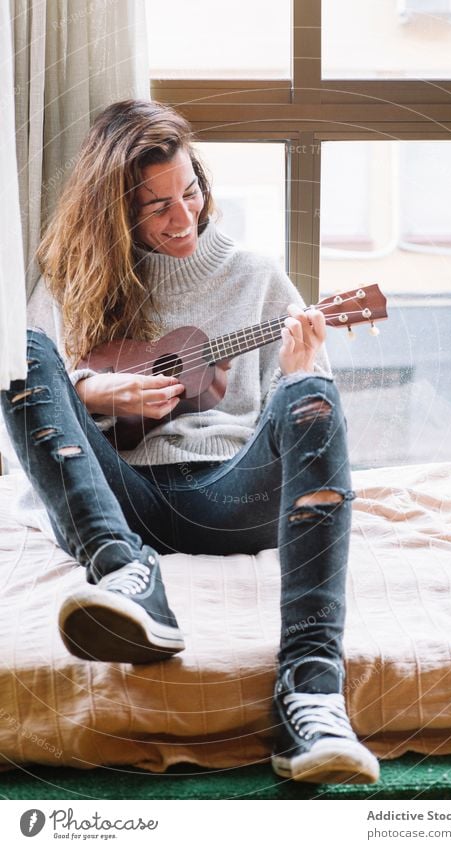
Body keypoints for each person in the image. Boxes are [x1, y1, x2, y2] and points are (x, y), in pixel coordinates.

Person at [0, 99, 379, 786]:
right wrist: (92, 393)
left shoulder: (255, 275)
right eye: (157, 207)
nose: (184, 218)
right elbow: (34, 405)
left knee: (312, 392)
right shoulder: (71, 281)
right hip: (121, 500)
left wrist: (303, 370)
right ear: (114, 213)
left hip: (234, 493)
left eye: (191, 191)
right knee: (19, 350)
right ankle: (127, 577)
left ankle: (312, 688)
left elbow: (296, 423)